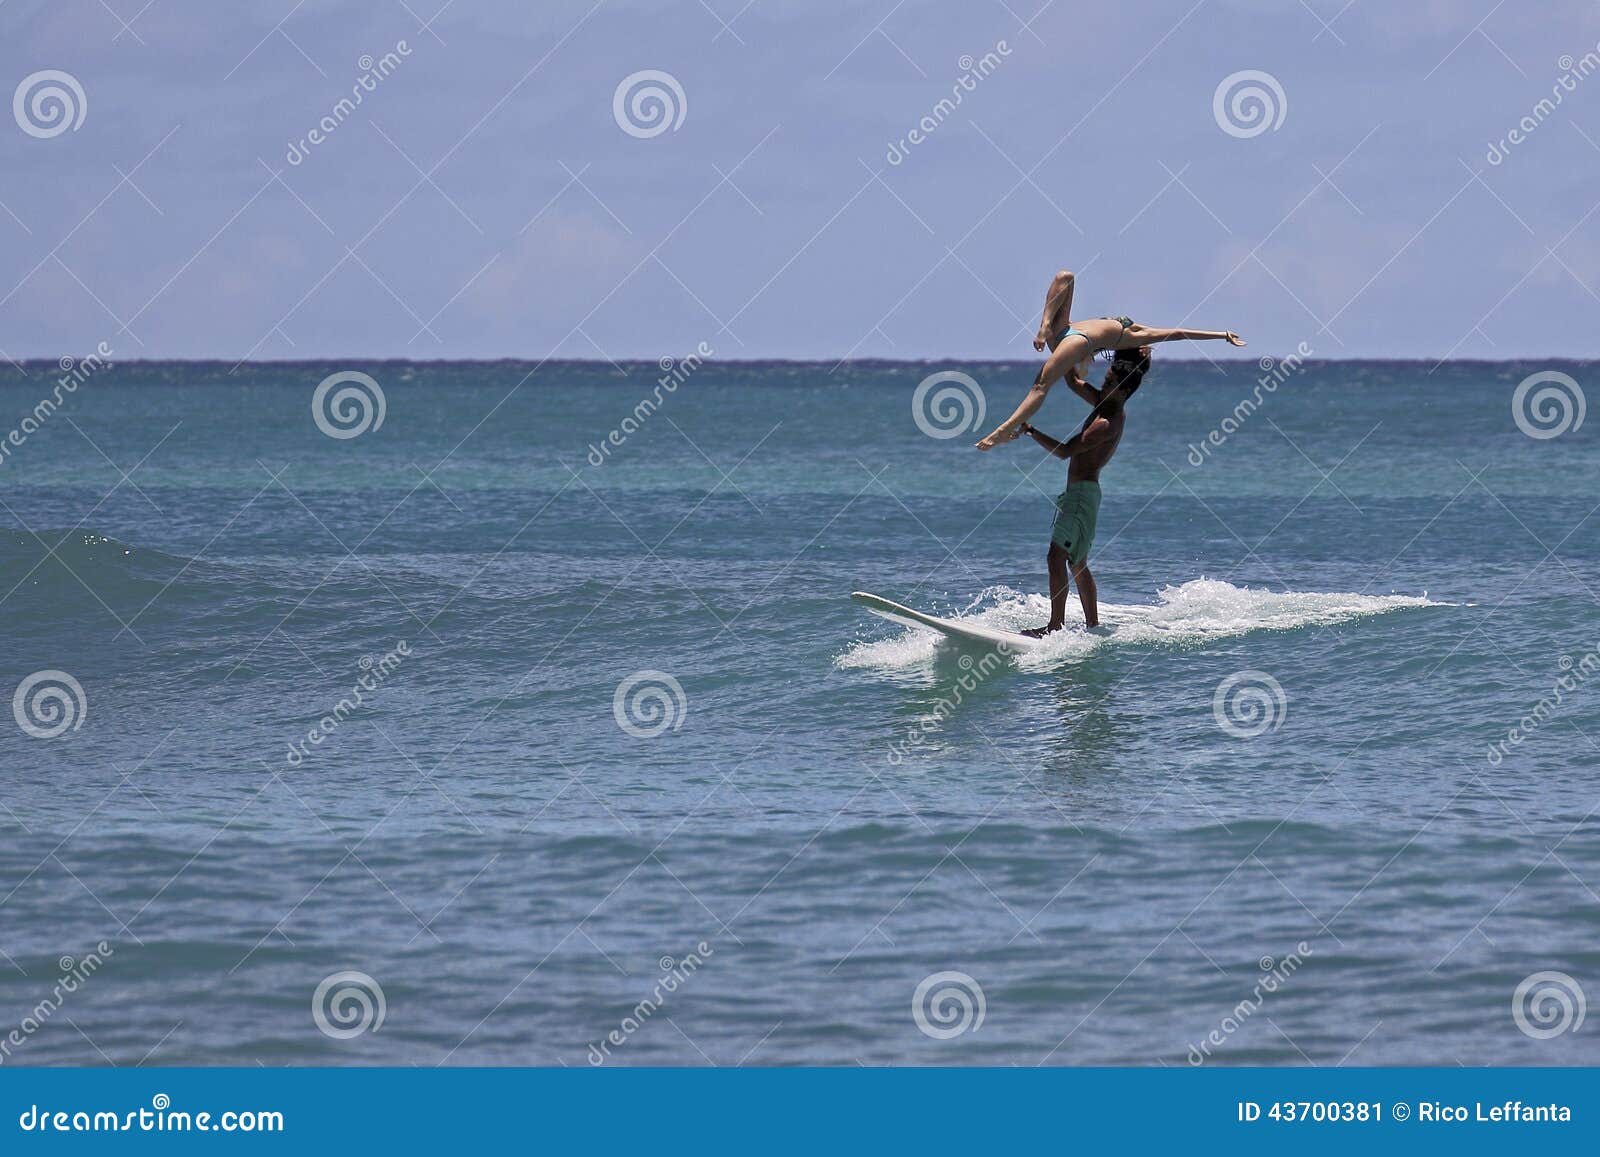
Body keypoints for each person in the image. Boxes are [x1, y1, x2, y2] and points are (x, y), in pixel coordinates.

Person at [976, 268, 1243, 451]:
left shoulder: (1139, 336)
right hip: (1065, 330)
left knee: (1040, 386)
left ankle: (1004, 430)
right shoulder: (1134, 333)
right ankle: (1044, 325)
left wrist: (1221, 335)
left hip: (1078, 341)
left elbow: (1180, 333)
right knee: (1065, 277)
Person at [1013, 347, 1150, 634]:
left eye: (1110, 383)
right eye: (1105, 379)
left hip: (1081, 497)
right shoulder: (1105, 403)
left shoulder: (1105, 423)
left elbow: (1064, 452)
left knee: (1055, 557)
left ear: (1124, 391)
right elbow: (1073, 381)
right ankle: (1093, 626)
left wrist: (1030, 431)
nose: (1103, 385)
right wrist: (1066, 348)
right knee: (1077, 563)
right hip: (1085, 496)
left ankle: (1054, 626)